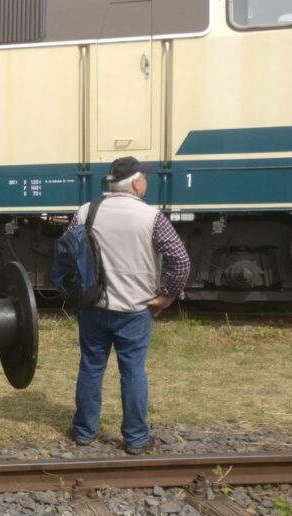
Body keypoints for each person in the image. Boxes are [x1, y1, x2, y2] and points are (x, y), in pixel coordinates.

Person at [64, 156, 190, 455]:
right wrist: (167, 295)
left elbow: (67, 251)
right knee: (133, 371)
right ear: (136, 183)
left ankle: (84, 431)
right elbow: (180, 261)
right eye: (144, 177)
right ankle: (135, 438)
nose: (146, 181)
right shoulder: (151, 217)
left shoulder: (85, 212)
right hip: (135, 310)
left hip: (93, 306)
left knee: (91, 367)